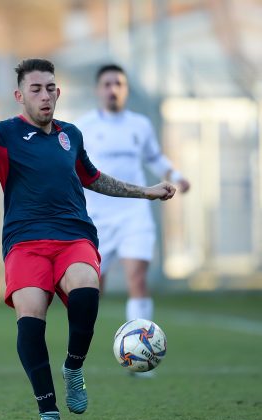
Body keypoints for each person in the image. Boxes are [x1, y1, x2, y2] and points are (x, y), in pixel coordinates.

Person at [0, 58, 176, 420]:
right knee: (31, 320)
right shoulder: (4, 133)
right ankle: (48, 412)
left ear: (58, 92)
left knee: (86, 289)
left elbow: (93, 178)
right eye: (36, 89)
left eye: (50, 89)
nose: (44, 96)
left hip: (73, 236)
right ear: (20, 96)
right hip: (25, 243)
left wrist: (145, 191)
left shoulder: (71, 135)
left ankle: (73, 367)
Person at [76, 64, 190, 323]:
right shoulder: (83, 127)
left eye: (119, 84)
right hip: (96, 218)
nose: (113, 89)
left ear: (126, 89)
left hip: (134, 215)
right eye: (107, 84)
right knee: (92, 286)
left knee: (137, 279)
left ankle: (141, 344)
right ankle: (82, 342)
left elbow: (154, 157)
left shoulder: (140, 125)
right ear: (97, 90)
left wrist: (176, 176)